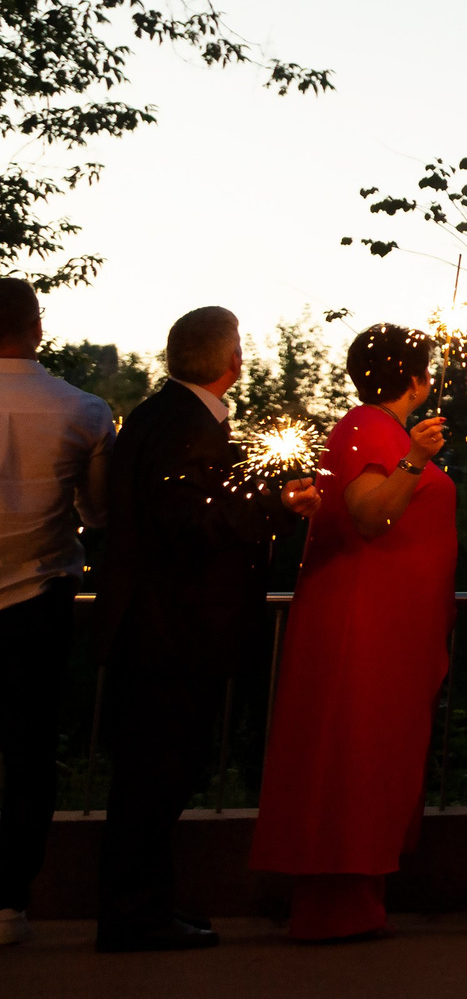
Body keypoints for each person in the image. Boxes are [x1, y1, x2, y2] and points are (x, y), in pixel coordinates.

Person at [94, 306, 320, 952]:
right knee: (153, 779)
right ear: (231, 360)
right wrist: (276, 505)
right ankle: (135, 915)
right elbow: (189, 525)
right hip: (173, 632)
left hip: (162, 629)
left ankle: (146, 905)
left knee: (153, 779)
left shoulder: (160, 415)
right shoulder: (186, 426)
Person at [249, 324, 458, 940]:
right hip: (365, 620)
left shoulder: (381, 430)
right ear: (417, 379)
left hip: (393, 621)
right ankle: (333, 903)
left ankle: (358, 897)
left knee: (375, 748)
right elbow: (371, 515)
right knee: (354, 748)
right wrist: (417, 459)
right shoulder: (368, 427)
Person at [0, 279, 113, 948]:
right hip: (38, 601)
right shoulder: (84, 409)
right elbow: (98, 514)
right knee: (30, 751)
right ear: (37, 327)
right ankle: (8, 899)